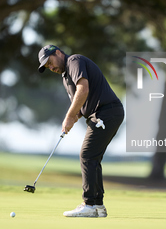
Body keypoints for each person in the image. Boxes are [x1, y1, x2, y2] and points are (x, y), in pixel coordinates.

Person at [37, 45, 124, 217]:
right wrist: (75, 114)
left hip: (107, 111)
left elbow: (83, 89)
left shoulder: (74, 61)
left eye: (50, 62)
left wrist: (68, 116)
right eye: (47, 67)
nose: (51, 67)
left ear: (58, 53)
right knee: (92, 157)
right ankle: (98, 205)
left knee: (87, 155)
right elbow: (80, 103)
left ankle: (89, 204)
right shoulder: (66, 77)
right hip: (99, 115)